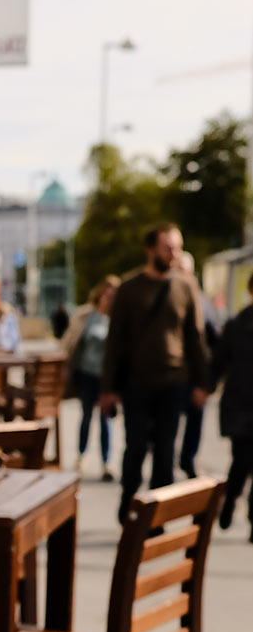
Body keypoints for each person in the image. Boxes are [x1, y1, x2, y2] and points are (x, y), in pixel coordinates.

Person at [99, 223, 211, 525]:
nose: (174, 253)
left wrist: (203, 383)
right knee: (135, 447)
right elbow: (115, 341)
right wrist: (108, 389)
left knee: (165, 452)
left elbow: (195, 338)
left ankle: (155, 517)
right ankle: (128, 503)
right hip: (137, 384)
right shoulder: (129, 287)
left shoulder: (186, 286)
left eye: (177, 247)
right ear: (151, 249)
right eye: (167, 247)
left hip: (174, 383)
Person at [61, 276, 119, 479]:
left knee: (105, 420)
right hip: (86, 373)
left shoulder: (118, 318)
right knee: (86, 416)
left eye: (113, 296)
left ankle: (106, 463)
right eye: (107, 294)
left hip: (106, 378)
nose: (109, 299)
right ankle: (81, 455)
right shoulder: (86, 315)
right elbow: (70, 341)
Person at [214, 270, 253, 537]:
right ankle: (229, 499)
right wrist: (203, 388)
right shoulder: (237, 324)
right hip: (241, 405)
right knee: (241, 462)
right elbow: (219, 362)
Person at [176, 251, 220, 478]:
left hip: (195, 376)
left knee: (194, 420)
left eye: (183, 269)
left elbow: (214, 341)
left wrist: (208, 382)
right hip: (171, 375)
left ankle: (187, 458)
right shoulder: (165, 298)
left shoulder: (203, 302)